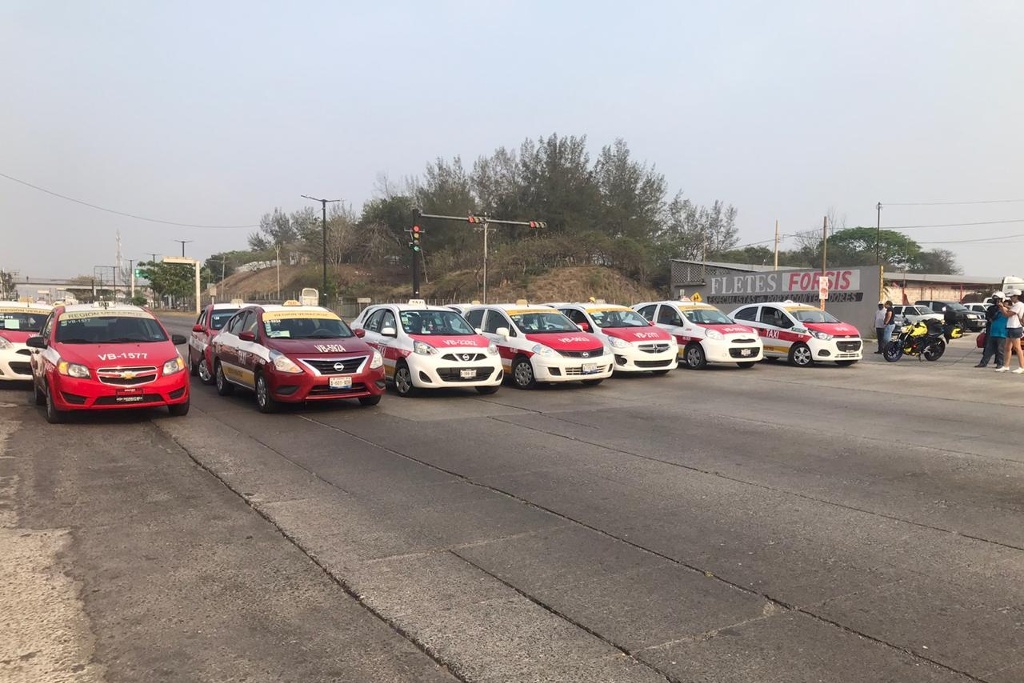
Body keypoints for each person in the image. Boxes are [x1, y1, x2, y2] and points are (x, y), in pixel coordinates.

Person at [996, 289, 1024, 373]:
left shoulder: (1019, 305)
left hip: (1015, 327)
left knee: (1017, 348)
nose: (1011, 299)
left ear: (1016, 296)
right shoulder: (1017, 305)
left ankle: (1021, 367)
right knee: (1007, 347)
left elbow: (1007, 314)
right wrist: (1006, 307)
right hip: (1011, 327)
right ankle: (1006, 366)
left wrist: (1001, 308)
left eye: (1012, 297)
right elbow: (1010, 309)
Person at [977, 292, 1007, 368]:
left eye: (998, 300)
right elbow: (989, 317)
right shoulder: (991, 308)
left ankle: (1000, 363)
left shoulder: (1005, 309)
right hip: (992, 331)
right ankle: (983, 363)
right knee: (988, 349)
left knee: (1000, 349)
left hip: (1001, 332)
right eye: (995, 300)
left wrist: (1001, 307)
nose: (997, 301)